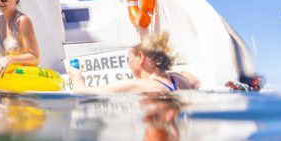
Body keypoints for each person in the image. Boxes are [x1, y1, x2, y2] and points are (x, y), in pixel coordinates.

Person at [70, 32, 200, 94]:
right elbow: (196, 82)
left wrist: (76, 75)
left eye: (129, 59)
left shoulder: (139, 85)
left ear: (141, 57)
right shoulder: (180, 78)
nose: (128, 64)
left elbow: (81, 91)